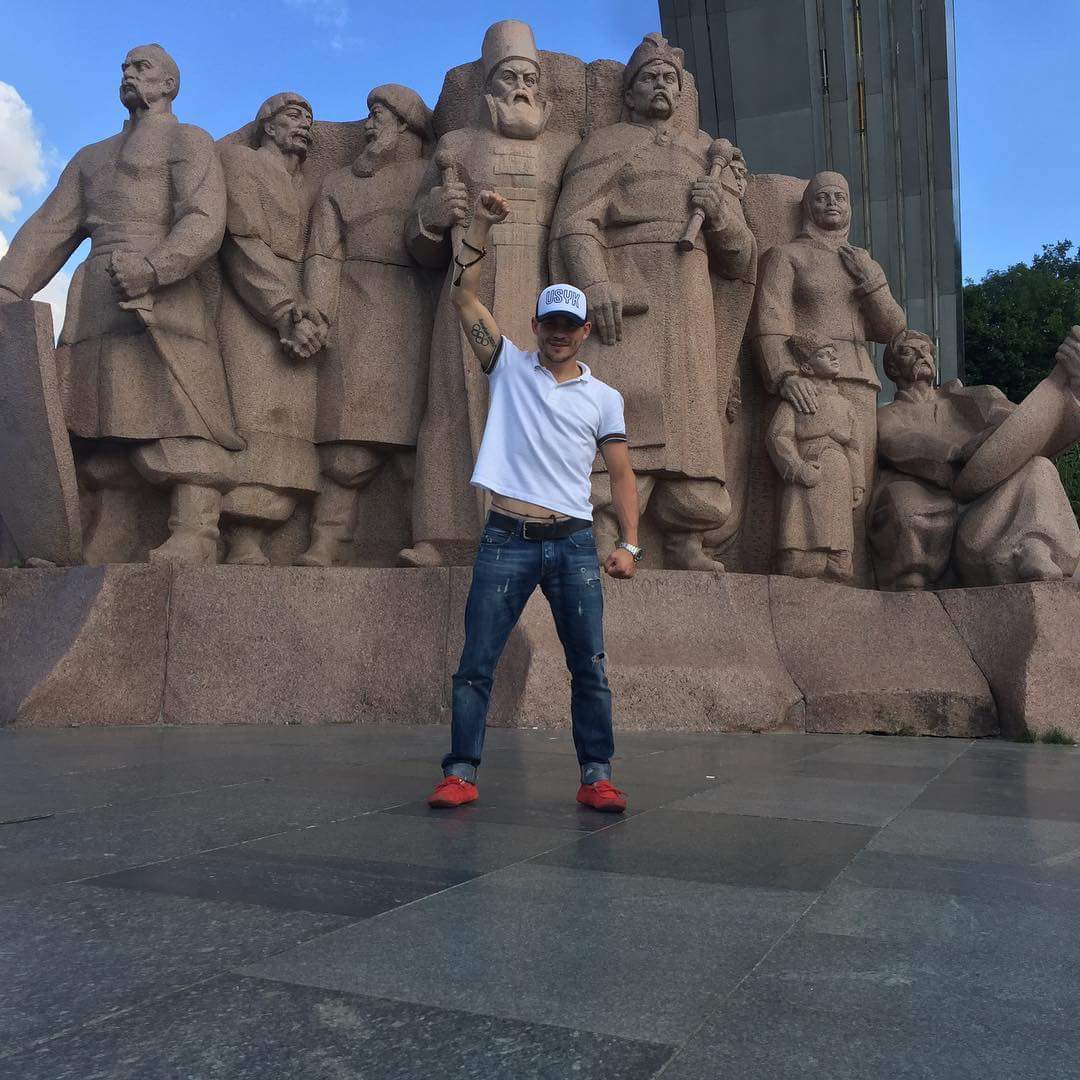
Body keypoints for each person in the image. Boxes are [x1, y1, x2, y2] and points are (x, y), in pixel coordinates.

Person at [427, 190, 641, 814]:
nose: (559, 335)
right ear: (536, 326)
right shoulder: (506, 366)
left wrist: (629, 543)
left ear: (585, 330)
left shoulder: (604, 398)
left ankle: (596, 776)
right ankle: (460, 772)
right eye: (550, 324)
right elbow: (463, 296)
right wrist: (481, 225)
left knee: (589, 667)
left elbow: (622, 474)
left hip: (573, 542)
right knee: (476, 663)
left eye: (569, 326)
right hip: (507, 537)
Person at [0, 43, 237, 564]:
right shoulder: (91, 158)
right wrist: (9, 287)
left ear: (169, 84)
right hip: (96, 299)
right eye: (125, 67)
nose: (128, 73)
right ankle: (94, 532)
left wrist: (154, 267)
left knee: (181, 412)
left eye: (141, 66)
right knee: (90, 420)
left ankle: (196, 530)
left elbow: (204, 219)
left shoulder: (188, 141)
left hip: (164, 295)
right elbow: (48, 228)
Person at [550, 32, 757, 570]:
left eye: (669, 77)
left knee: (692, 426)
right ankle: (603, 528)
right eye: (649, 77)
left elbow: (740, 258)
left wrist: (721, 214)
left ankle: (687, 537)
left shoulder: (704, 156)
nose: (661, 84)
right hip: (630, 294)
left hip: (690, 298)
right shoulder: (604, 147)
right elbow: (575, 222)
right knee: (627, 415)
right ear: (629, 92)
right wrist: (594, 283)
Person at [217, 92, 325, 565]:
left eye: (309, 120)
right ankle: (239, 536)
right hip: (253, 306)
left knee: (291, 426)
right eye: (294, 116)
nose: (304, 125)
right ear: (267, 124)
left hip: (299, 308)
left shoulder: (306, 185)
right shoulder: (240, 163)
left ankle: (264, 529)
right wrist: (283, 310)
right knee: (251, 418)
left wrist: (309, 313)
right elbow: (241, 240)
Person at [766, 335, 862, 580]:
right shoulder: (797, 401)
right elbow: (778, 437)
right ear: (807, 367)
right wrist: (797, 468)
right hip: (808, 469)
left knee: (840, 554)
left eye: (833, 352)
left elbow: (854, 446)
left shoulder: (846, 405)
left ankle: (837, 557)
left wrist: (857, 484)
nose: (833, 357)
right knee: (798, 546)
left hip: (839, 472)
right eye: (823, 354)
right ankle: (800, 557)